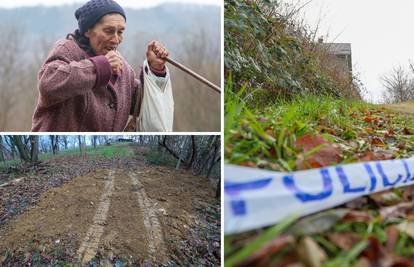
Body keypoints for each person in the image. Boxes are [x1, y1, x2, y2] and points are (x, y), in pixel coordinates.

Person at [31, 0, 170, 131]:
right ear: (87, 31)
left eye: (120, 32)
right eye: (109, 31)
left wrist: (155, 70)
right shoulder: (67, 50)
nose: (116, 39)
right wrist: (101, 67)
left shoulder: (124, 69)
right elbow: (48, 84)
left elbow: (144, 106)